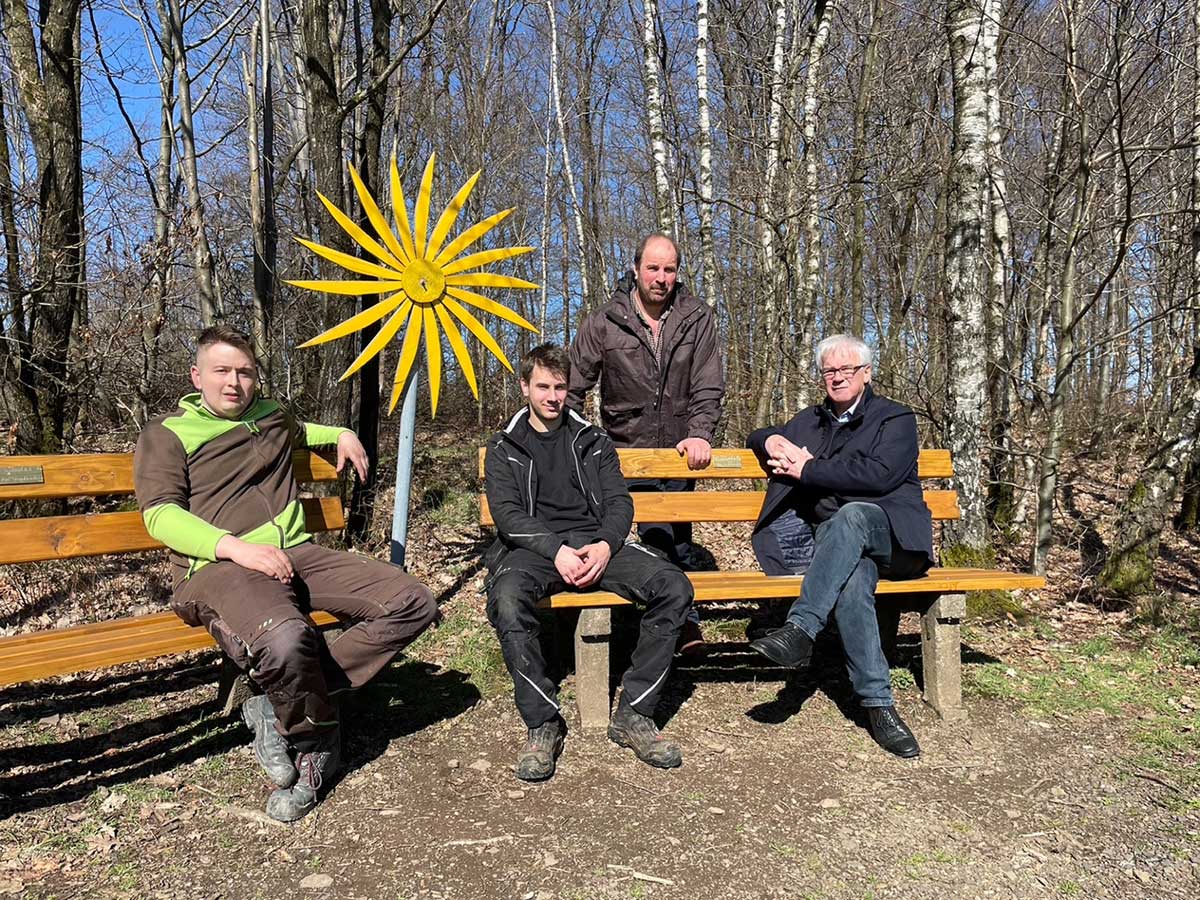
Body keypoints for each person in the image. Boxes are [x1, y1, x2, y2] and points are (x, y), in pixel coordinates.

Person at [134, 325, 438, 821]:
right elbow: (160, 515)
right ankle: (314, 739)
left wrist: (340, 433)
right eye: (222, 371)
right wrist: (237, 550)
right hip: (216, 567)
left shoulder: (273, 416)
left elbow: (306, 431)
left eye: (245, 372)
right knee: (286, 639)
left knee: (412, 603)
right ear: (197, 375)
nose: (234, 382)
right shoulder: (167, 434)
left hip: (296, 554)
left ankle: (279, 709)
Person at [484, 343, 694, 781]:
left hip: (597, 545)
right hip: (535, 551)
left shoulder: (593, 440)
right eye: (542, 386)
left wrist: (602, 545)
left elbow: (620, 503)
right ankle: (543, 723)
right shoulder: (504, 446)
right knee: (507, 597)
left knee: (674, 586)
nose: (552, 396)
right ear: (525, 387)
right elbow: (507, 515)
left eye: (560, 387)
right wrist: (555, 550)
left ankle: (635, 713)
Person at [745, 334, 933, 759]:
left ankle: (802, 628)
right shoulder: (812, 421)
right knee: (850, 581)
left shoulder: (894, 419)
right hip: (842, 551)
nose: (837, 377)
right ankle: (880, 706)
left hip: (896, 541)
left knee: (850, 515)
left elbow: (878, 477)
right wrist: (770, 441)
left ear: (866, 374)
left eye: (846, 369)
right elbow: (759, 434)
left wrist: (808, 468)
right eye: (829, 370)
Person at [568, 233, 724, 653]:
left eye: (669, 269)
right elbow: (570, 387)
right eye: (653, 268)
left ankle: (676, 617)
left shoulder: (698, 318)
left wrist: (699, 432)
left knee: (674, 534)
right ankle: (664, 622)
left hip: (679, 451)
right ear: (636, 269)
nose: (660, 278)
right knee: (633, 533)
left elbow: (708, 385)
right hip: (624, 452)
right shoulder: (604, 321)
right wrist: (581, 441)